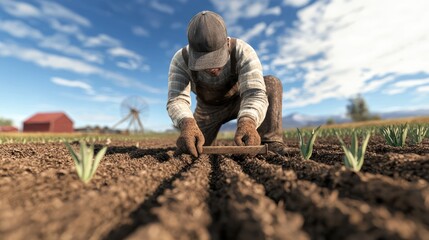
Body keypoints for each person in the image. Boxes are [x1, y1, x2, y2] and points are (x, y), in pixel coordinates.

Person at [167, 10, 289, 157]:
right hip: (207, 111)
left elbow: (254, 93)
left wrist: (248, 121)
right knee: (193, 147)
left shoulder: (243, 51)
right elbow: (176, 99)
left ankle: (271, 143)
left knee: (271, 83)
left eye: (216, 59)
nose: (212, 68)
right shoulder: (181, 60)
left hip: (241, 100)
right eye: (204, 62)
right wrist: (187, 123)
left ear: (226, 42)